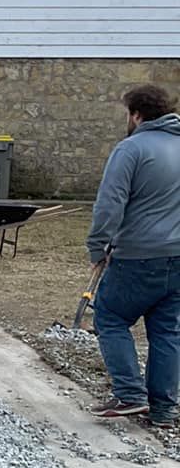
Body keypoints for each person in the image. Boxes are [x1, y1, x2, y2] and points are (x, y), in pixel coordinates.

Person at [87, 83, 180, 423]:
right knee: (167, 331)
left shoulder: (131, 149)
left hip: (138, 254)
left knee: (110, 317)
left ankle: (129, 394)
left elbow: (109, 204)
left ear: (137, 115)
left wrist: (98, 247)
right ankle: (164, 408)